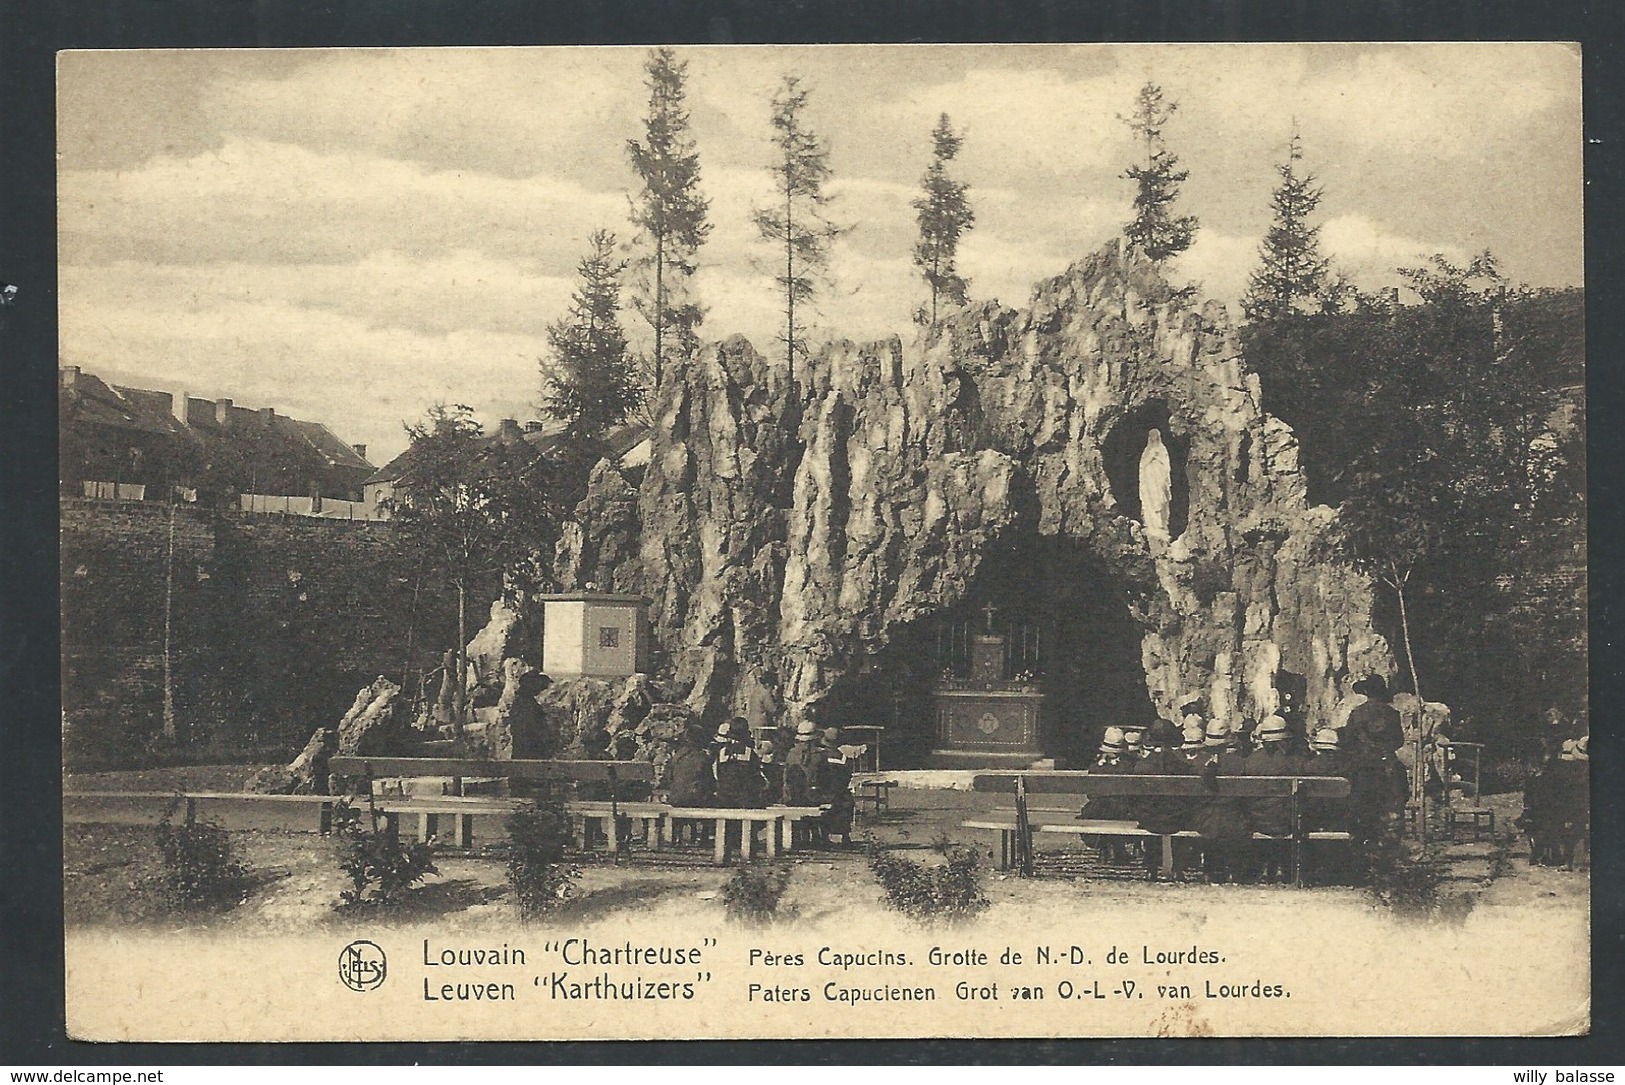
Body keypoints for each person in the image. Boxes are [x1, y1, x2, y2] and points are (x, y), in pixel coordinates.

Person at [1343, 675, 1408, 849]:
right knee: (1391, 804)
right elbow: (1399, 741)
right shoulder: (1391, 713)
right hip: (1386, 765)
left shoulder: (1357, 713)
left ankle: (1363, 842)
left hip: (1362, 766)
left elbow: (1347, 740)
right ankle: (1385, 844)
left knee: (1362, 806)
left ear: (1365, 692)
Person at [1240, 714, 1301, 881]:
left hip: (1258, 820)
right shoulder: (1294, 762)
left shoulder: (1251, 761)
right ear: (1284, 739)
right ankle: (1284, 869)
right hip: (1287, 821)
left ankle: (1260, 868)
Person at [1134, 719, 1196, 879]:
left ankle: (1151, 867)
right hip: (1176, 819)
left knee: (1150, 810)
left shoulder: (1142, 766)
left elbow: (1134, 798)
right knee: (1183, 813)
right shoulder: (1183, 765)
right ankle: (1178, 869)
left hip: (1150, 820)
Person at [713, 717, 768, 809]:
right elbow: (757, 778)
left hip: (724, 800)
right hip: (744, 801)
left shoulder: (721, 752)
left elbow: (718, 775)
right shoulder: (750, 753)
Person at [818, 727, 858, 846]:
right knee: (846, 804)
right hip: (839, 790)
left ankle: (824, 836)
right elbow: (847, 775)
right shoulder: (843, 757)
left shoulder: (820, 755)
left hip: (824, 790)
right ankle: (845, 836)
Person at [666, 721, 715, 807]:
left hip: (675, 799)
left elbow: (669, 777)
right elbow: (710, 783)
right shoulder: (702, 757)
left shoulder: (677, 755)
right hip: (695, 799)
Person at [1139, 427, 1173, 539]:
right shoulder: (1147, 451)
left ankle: (1161, 525)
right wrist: (1151, 456)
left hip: (1159, 480)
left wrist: (1157, 458)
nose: (1154, 441)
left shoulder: (1162, 450)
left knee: (1160, 501)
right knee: (1150, 502)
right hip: (1149, 481)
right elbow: (1142, 466)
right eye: (1152, 439)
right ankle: (1152, 525)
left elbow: (1166, 465)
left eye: (1156, 439)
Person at [781, 720, 824, 807]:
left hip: (791, 798)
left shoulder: (791, 754)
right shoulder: (820, 755)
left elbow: (785, 778)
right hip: (814, 798)